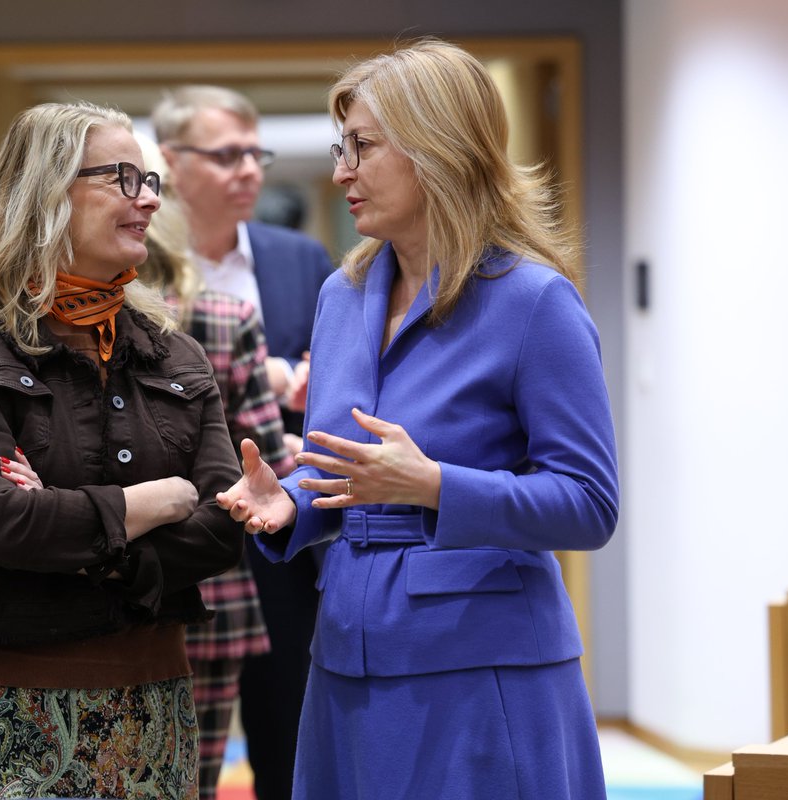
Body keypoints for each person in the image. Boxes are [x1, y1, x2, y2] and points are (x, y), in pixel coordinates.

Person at [216, 39, 620, 800]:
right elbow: (352, 473)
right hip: (347, 659)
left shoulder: (534, 300)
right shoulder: (341, 297)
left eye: (362, 147)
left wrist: (434, 485)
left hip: (483, 668)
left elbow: (590, 504)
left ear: (437, 149)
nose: (342, 173)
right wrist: (292, 503)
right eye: (340, 149)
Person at [0, 101, 243, 800]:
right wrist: (151, 503)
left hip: (154, 709)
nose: (149, 199)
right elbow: (6, 522)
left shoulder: (176, 355)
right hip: (5, 715)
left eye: (149, 180)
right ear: (46, 194)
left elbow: (222, 525)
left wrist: (82, 531)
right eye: (122, 178)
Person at [152, 86, 332, 800]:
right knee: (181, 758)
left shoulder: (301, 259)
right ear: (171, 161)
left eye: (256, 154)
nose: (249, 170)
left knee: (291, 740)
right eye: (227, 155)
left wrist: (309, 385)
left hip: (285, 532)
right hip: (188, 533)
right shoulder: (141, 265)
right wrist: (272, 377)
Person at [134, 133, 295, 800]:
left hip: (98, 581)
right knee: (193, 782)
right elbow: (267, 466)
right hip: (215, 589)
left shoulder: (71, 326)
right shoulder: (226, 319)